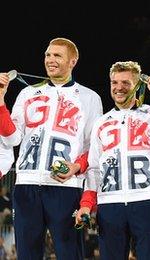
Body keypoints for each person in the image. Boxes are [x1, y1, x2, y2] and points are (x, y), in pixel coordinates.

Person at [0, 38, 102, 259]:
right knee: (27, 254)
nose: (50, 60)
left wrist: (76, 167)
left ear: (73, 61)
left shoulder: (90, 98)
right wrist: (0, 101)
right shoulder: (26, 94)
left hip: (65, 187)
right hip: (26, 184)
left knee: (69, 254)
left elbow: (94, 149)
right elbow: (12, 138)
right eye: (48, 55)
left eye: (57, 55)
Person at [75, 61, 150, 259]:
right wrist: (86, 204)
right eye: (114, 82)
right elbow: (94, 169)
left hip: (145, 201)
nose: (118, 87)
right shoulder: (101, 122)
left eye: (126, 83)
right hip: (109, 205)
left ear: (138, 85)